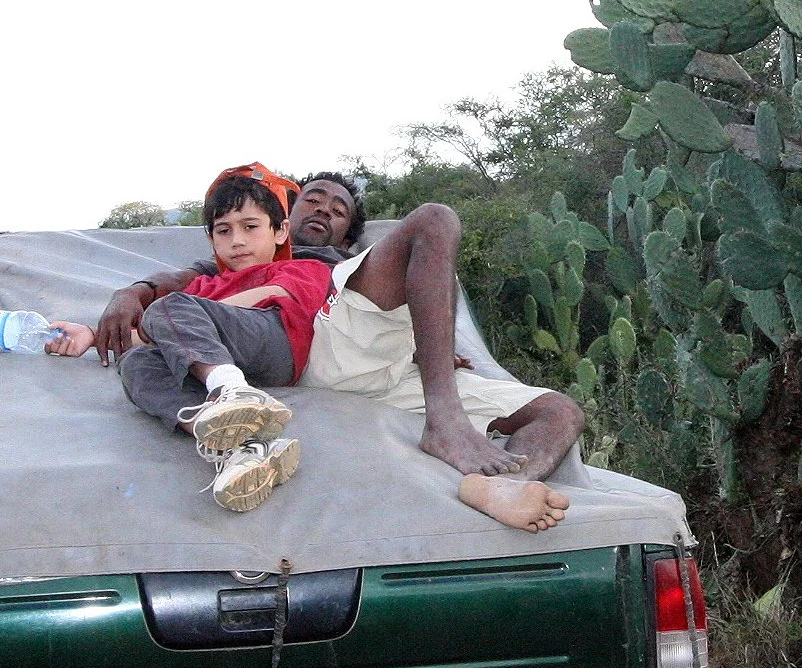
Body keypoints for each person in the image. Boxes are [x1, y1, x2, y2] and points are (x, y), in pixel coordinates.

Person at [95, 173, 583, 533]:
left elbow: (418, 274)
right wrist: (128, 294)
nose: (324, 210)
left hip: (379, 352)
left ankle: (499, 483)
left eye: (339, 208)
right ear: (287, 218)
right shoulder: (250, 259)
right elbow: (173, 289)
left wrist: (432, 348)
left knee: (559, 412)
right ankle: (230, 436)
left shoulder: (345, 264)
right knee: (140, 361)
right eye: (314, 200)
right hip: (316, 341)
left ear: (350, 235)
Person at [47, 173, 330, 513]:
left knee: (167, 309)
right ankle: (242, 449)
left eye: (250, 227)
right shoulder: (202, 287)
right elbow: (164, 330)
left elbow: (273, 296)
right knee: (136, 364)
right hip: (218, 358)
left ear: (280, 231)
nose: (237, 240)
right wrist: (92, 337)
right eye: (224, 231)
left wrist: (179, 315)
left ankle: (232, 391)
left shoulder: (304, 267)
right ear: (211, 239)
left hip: (274, 342)